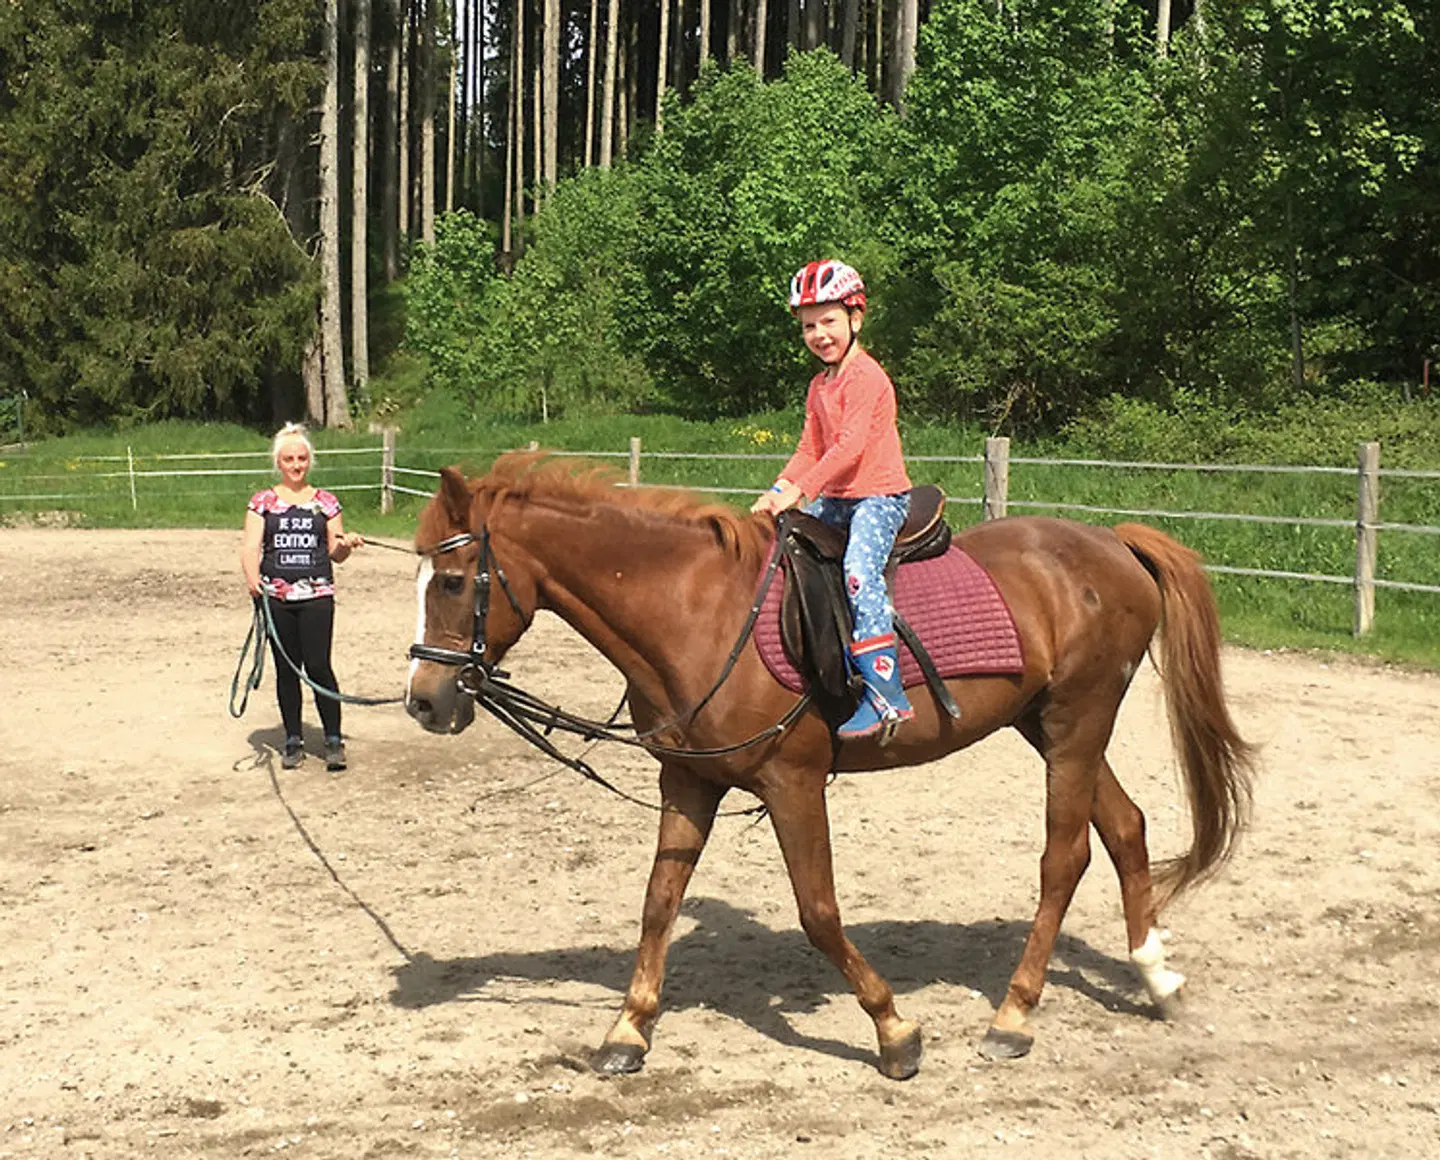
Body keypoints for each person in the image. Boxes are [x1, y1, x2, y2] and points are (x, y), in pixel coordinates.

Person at [751, 259, 914, 741]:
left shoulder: (866, 377)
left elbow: (849, 448)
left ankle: (887, 694)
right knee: (781, 550)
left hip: (878, 497)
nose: (819, 334)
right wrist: (779, 491)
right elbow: (810, 448)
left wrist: (801, 491)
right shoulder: (819, 385)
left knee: (859, 573)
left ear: (855, 319)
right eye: (808, 325)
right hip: (838, 499)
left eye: (828, 321)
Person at [241, 423, 363, 770]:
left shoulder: (326, 502)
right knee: (287, 670)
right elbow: (250, 547)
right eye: (289, 459)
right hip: (277, 598)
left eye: (302, 458)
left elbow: (335, 552)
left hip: (317, 596)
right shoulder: (262, 503)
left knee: (320, 666)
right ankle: (292, 739)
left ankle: (333, 738)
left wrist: (346, 544)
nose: (296, 465)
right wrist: (254, 581)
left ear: (310, 461)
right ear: (278, 462)